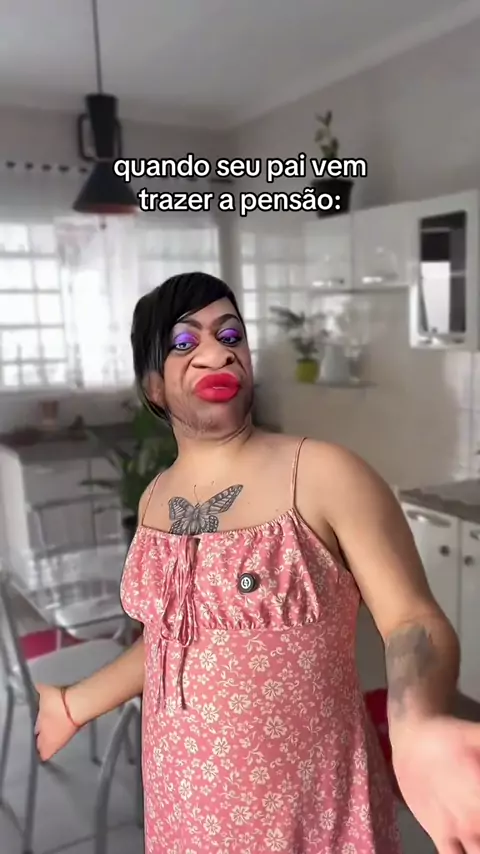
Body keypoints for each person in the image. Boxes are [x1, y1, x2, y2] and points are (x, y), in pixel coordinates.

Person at [35, 271, 480, 854]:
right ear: (153, 386)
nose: (218, 352)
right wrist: (74, 704)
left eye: (230, 335)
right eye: (185, 343)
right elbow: (173, 642)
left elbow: (411, 621)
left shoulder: (323, 473)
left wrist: (416, 719)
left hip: (311, 815)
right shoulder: (154, 499)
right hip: (182, 807)